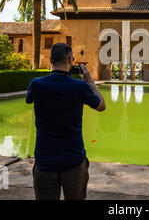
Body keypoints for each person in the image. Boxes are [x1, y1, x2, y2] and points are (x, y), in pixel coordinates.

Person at [26, 43, 106, 200]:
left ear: (50, 60)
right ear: (70, 60)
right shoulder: (80, 86)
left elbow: (29, 99)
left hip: (45, 160)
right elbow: (101, 106)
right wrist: (90, 82)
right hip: (73, 160)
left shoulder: (37, 84)